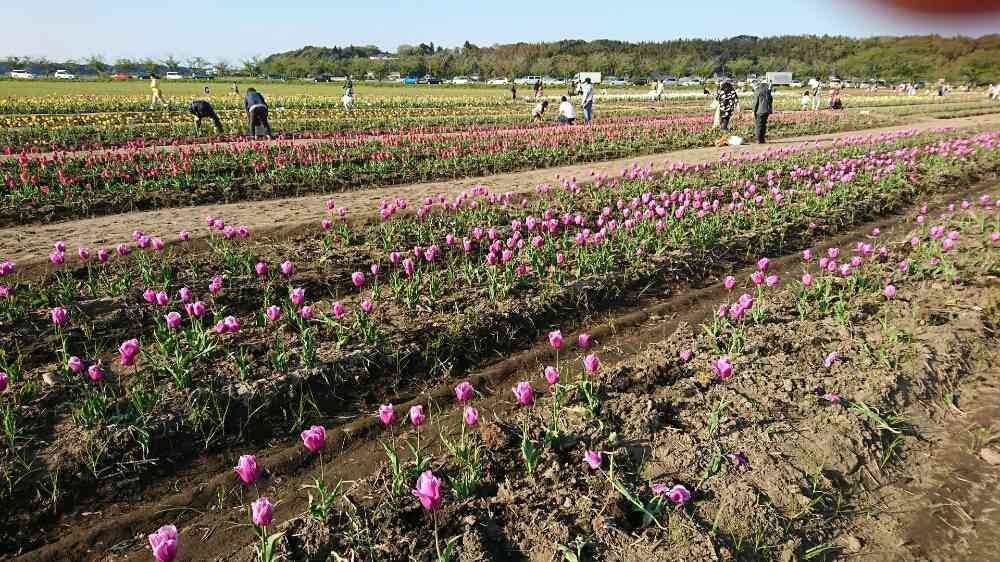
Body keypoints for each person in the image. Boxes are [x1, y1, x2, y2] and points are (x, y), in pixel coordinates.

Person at [751, 80, 773, 144]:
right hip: (767, 110)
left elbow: (755, 102)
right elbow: (771, 100)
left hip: (759, 111)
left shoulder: (757, 91)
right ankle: (762, 139)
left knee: (758, 125)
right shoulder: (767, 91)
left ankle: (758, 139)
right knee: (763, 125)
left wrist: (753, 111)